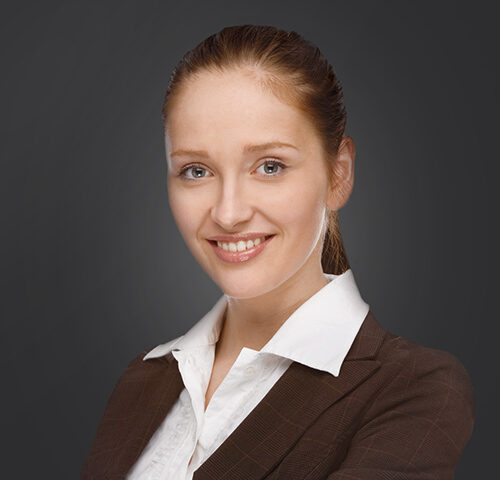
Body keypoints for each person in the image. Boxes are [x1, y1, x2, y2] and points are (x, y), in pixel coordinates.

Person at [81, 25, 475, 480]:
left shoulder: (412, 389)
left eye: (270, 166)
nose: (228, 213)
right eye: (196, 170)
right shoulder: (143, 379)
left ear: (338, 175)